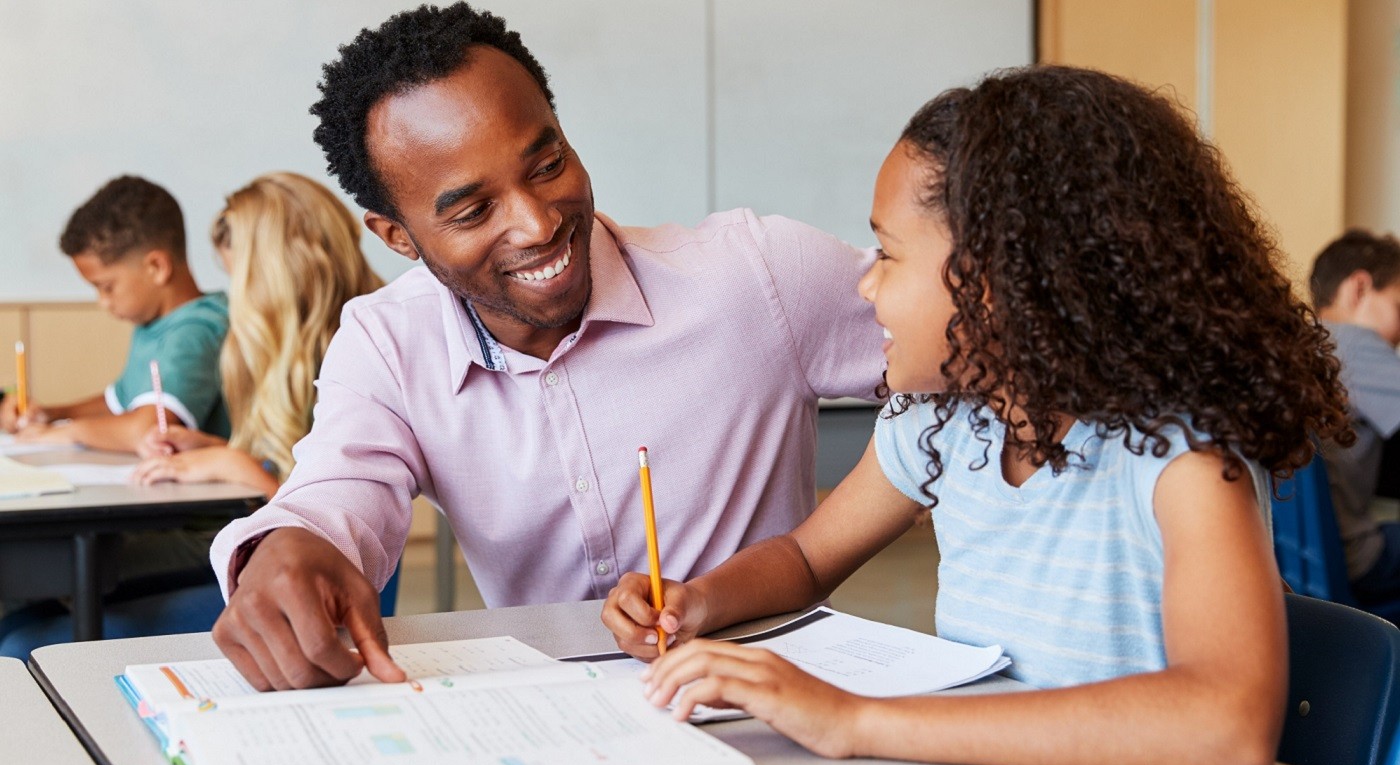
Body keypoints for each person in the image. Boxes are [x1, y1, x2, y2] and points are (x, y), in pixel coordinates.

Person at [602, 66, 1353, 765]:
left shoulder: (1182, 462)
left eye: (888, 256)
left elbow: (1228, 725)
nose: (865, 285)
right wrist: (701, 600)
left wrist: (857, 721)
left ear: (995, 280)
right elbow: (803, 558)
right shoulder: (944, 423)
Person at [207, 2, 884, 692]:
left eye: (548, 163)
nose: (537, 224)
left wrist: (828, 544)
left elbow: (973, 346)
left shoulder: (754, 275)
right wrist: (283, 548)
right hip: (558, 729)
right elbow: (336, 492)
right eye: (473, 212)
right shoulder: (387, 343)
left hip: (773, 710)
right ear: (397, 237)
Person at [131, 172, 384, 496]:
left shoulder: (360, 356)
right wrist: (214, 449)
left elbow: (327, 514)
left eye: (244, 282)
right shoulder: (296, 351)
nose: (237, 299)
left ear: (283, 273)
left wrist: (231, 464)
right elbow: (289, 465)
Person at [1, 175, 230, 451]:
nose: (103, 302)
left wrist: (71, 432)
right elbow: (119, 404)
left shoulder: (197, 330)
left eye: (106, 287)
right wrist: (53, 414)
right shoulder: (153, 322)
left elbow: (148, 429)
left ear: (156, 267)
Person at [1310, 230, 1400, 602]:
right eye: (1399, 308)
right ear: (1358, 289)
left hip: (1310, 560)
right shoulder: (1353, 343)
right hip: (1360, 559)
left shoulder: (1305, 341)